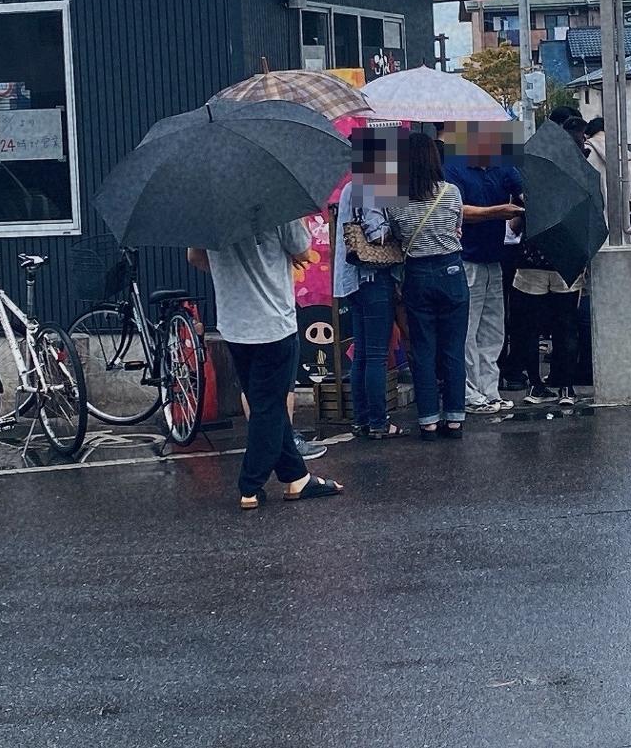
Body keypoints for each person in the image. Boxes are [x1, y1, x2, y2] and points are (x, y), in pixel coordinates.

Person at [189, 221, 343, 511]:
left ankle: (296, 477)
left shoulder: (211, 211)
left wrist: (230, 273)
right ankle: (250, 484)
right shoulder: (278, 207)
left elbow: (195, 258)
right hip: (274, 323)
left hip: (234, 324)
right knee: (269, 409)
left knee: (263, 402)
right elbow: (303, 249)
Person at [386, 130, 469, 439]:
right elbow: (457, 228)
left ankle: (428, 421)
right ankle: (455, 418)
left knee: (422, 348)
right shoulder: (451, 192)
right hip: (450, 271)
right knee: (452, 348)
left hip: (416, 275)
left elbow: (396, 235)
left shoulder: (395, 196)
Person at [510, 113, 594, 406]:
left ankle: (535, 386)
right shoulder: (581, 175)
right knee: (566, 325)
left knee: (530, 327)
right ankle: (566, 389)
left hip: (532, 258)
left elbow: (516, 223)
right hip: (566, 259)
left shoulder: (535, 172)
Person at [443, 126, 523, 416]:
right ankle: (470, 392)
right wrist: (498, 212)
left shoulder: (504, 165)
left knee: (493, 328)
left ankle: (490, 390)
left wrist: (523, 202)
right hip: (465, 258)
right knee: (468, 329)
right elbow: (456, 209)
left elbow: (523, 191)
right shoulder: (452, 167)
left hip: (494, 257)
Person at [334, 129, 403, 439]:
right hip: (374, 277)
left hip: (353, 281)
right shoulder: (374, 186)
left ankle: (362, 419)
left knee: (362, 353)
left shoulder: (351, 187)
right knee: (375, 354)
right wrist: (398, 226)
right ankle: (378, 422)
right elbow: (377, 234)